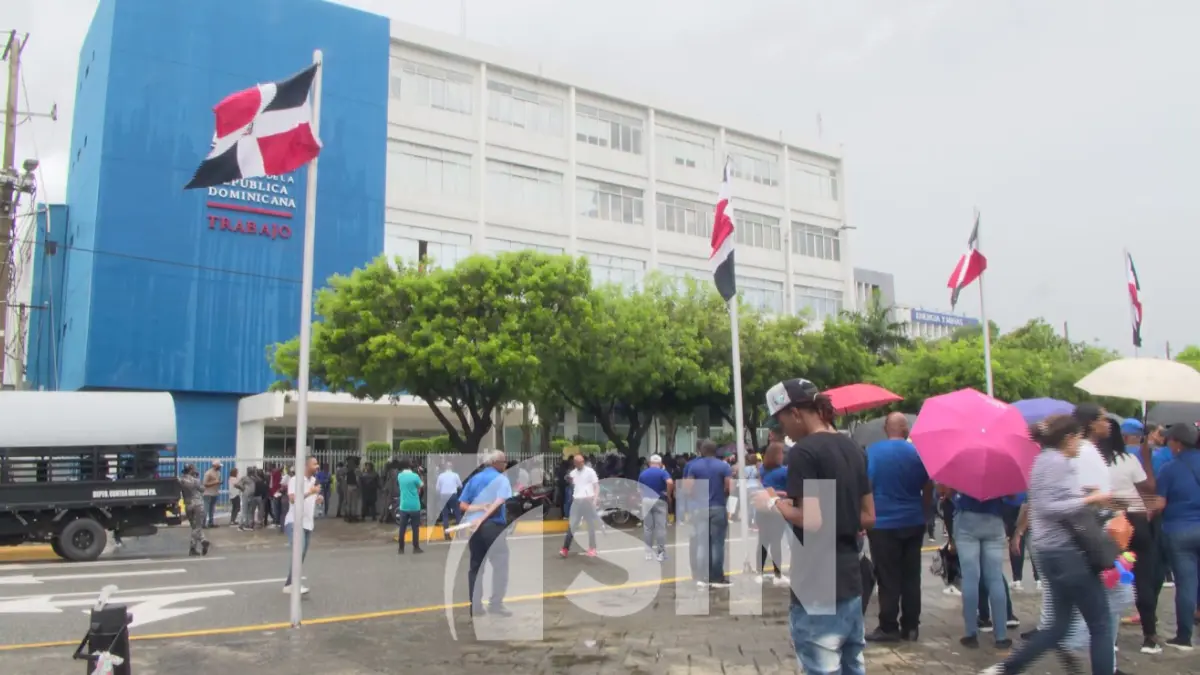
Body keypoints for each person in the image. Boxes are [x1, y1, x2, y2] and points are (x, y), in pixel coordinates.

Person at [754, 378, 872, 675]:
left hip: (816, 581)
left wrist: (773, 502)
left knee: (821, 667)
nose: (782, 430)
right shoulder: (853, 448)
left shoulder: (805, 452)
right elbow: (868, 515)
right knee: (852, 664)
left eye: (781, 420)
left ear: (795, 413)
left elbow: (812, 519)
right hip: (851, 578)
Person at [983, 415, 1114, 675]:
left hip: (1050, 552)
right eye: (1079, 438)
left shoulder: (1044, 460)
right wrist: (1089, 500)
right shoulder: (1057, 462)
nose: (1081, 445)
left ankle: (1007, 669)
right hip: (1068, 553)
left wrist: (1084, 494)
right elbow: (1048, 507)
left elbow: (1049, 500)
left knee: (1059, 626)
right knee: (1100, 624)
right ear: (1068, 438)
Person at [865, 412, 931, 643]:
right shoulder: (918, 453)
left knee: (888, 576)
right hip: (913, 520)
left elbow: (867, 484)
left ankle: (888, 626)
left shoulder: (873, 452)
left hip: (883, 522)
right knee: (911, 576)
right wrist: (924, 512)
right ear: (906, 430)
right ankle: (911, 626)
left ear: (886, 428)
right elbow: (928, 485)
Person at [1103, 417, 1163, 654]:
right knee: (1144, 578)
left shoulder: (1092, 462)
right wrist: (1146, 458)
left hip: (1109, 524)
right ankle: (1150, 636)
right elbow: (1149, 488)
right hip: (1136, 522)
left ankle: (1111, 638)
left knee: (1110, 580)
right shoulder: (1128, 460)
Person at [1155, 422, 1200, 650]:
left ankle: (1184, 637)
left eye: (1169, 440)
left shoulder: (1169, 468)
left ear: (1178, 443)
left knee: (1186, 584)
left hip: (1179, 530)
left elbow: (1160, 504)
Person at [459, 450, 513, 617]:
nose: (505, 465)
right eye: (504, 462)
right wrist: (485, 513)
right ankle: (496, 604)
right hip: (493, 526)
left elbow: (462, 505)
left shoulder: (474, 479)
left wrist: (478, 510)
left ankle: (475, 606)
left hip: (474, 528)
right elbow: (499, 502)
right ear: (496, 463)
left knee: (476, 567)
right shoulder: (501, 479)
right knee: (500, 566)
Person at [684, 439, 732, 587]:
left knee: (702, 543)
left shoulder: (694, 466)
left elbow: (688, 488)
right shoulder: (723, 466)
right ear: (715, 450)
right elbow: (729, 487)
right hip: (718, 506)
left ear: (702, 451)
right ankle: (717, 577)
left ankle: (702, 577)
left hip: (700, 508)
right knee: (717, 544)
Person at [283, 456, 323, 595]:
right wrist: (310, 492)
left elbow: (311, 498)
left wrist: (318, 498)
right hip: (295, 522)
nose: (317, 466)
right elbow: (293, 499)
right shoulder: (295, 480)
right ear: (306, 465)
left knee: (300, 555)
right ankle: (294, 584)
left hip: (308, 523)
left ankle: (289, 584)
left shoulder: (313, 481)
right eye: (314, 464)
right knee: (298, 552)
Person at [756, 440, 790, 586]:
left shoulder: (762, 470)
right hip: (777, 509)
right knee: (776, 542)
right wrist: (782, 493)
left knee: (762, 542)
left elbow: (760, 487)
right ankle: (777, 574)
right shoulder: (784, 471)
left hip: (762, 509)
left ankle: (759, 573)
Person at [561, 454, 600, 558]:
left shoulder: (590, 472)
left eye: (582, 462)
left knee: (590, 525)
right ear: (575, 463)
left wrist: (595, 499)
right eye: (578, 462)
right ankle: (565, 548)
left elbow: (596, 486)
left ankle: (592, 548)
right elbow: (575, 487)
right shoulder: (573, 473)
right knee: (572, 526)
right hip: (577, 502)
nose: (580, 464)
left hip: (588, 501)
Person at [638, 454, 673, 562]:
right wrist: (668, 494)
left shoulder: (643, 473)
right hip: (660, 500)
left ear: (650, 463)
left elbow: (639, 489)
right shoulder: (663, 472)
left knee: (648, 528)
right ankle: (660, 553)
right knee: (660, 528)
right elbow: (670, 482)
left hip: (646, 500)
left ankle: (648, 553)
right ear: (660, 463)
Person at [178, 464, 210, 556]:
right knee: (197, 527)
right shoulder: (195, 480)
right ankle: (196, 545)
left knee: (194, 526)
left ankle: (202, 541)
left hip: (188, 504)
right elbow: (202, 489)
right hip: (198, 504)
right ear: (191, 470)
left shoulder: (181, 480)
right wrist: (197, 477)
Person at [396, 459, 424, 554]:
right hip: (415, 506)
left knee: (402, 528)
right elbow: (421, 485)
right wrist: (420, 475)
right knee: (415, 528)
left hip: (404, 506)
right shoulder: (415, 476)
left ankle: (401, 548)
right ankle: (416, 547)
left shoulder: (400, 476)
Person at [435, 463, 464, 539]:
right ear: (452, 467)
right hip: (453, 495)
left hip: (443, 495)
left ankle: (447, 535)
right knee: (457, 514)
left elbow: (437, 488)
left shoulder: (440, 476)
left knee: (445, 515)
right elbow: (460, 485)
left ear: (445, 468)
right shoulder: (455, 475)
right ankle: (459, 534)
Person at [202, 461, 222, 528]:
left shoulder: (218, 473)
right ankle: (203, 524)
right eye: (219, 466)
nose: (220, 467)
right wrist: (215, 483)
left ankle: (211, 523)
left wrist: (218, 482)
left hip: (214, 493)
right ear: (215, 465)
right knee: (205, 509)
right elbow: (205, 484)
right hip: (208, 493)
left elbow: (217, 481)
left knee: (212, 509)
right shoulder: (208, 473)